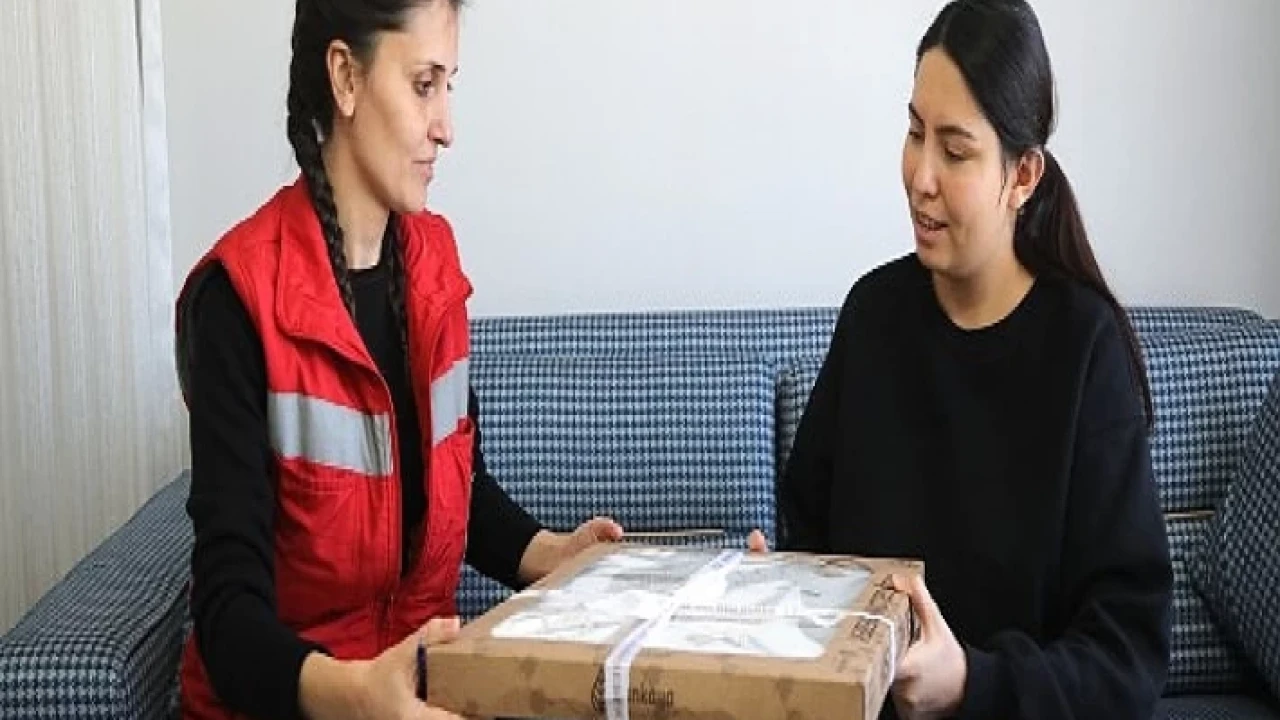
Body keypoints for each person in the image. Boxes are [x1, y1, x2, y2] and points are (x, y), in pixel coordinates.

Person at [172, 2, 624, 719]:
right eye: (423, 85)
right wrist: (356, 695)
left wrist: (551, 553)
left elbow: (458, 491)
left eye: (449, 86)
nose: (447, 126)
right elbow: (228, 618)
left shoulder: (435, 269)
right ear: (346, 78)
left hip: (418, 694)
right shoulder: (237, 300)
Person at [749, 1, 1174, 718]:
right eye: (915, 132)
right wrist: (787, 593)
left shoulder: (1082, 347)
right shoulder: (873, 314)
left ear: (1023, 175)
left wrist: (972, 683)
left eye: (955, 150)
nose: (921, 176)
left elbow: (1127, 655)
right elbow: (813, 539)